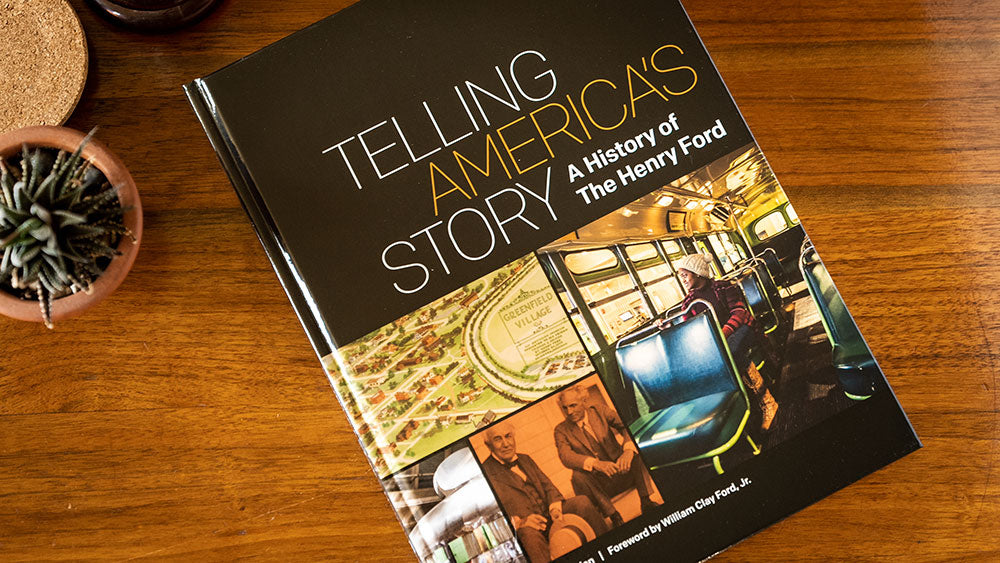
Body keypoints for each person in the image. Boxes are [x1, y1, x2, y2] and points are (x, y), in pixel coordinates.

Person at [673, 253, 778, 430]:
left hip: (742, 329)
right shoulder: (689, 302)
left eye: (685, 275)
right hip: (718, 341)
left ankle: (767, 402)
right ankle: (736, 407)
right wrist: (665, 325)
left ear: (697, 273)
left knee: (731, 350)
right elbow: (688, 327)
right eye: (680, 276)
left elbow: (739, 313)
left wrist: (722, 333)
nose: (682, 279)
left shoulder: (723, 287)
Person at [480, 422, 609, 562]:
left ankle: (609, 547)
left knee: (581, 502)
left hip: (549, 514)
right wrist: (520, 522)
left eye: (508, 436)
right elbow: (489, 521)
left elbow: (548, 486)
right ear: (488, 445)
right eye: (498, 439)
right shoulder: (484, 473)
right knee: (529, 536)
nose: (506, 444)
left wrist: (554, 508)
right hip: (529, 528)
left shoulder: (525, 458)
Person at [553, 387, 660, 527]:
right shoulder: (561, 430)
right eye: (565, 408)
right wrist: (595, 463)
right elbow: (565, 456)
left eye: (573, 405)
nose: (569, 412)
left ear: (584, 401)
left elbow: (628, 425)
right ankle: (614, 515)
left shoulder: (599, 410)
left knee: (635, 451)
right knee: (578, 476)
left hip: (623, 471)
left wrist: (627, 450)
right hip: (599, 487)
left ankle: (646, 501)